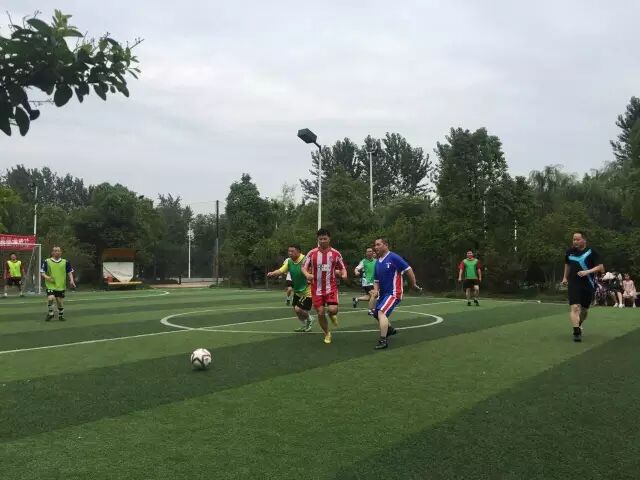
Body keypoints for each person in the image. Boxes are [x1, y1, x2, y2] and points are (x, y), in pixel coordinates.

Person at [371, 237, 421, 350]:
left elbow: (408, 269)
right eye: (375, 245)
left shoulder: (393, 257)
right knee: (376, 314)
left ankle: (383, 340)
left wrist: (413, 284)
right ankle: (389, 330)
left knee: (381, 312)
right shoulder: (377, 262)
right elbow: (376, 280)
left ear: (386, 245)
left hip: (393, 293)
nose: (376, 247)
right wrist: (375, 290)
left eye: (378, 244)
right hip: (383, 294)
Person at [302, 228, 347, 345]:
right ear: (317, 239)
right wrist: (307, 274)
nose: (322, 241)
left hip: (330, 287)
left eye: (325, 238)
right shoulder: (311, 253)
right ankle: (327, 333)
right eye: (320, 239)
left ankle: (332, 315)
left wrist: (344, 274)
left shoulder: (335, 253)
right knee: (320, 313)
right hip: (316, 288)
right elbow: (303, 267)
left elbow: (342, 267)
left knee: (333, 310)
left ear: (329, 239)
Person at [562, 232, 604, 342]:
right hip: (574, 282)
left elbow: (600, 267)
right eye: (574, 239)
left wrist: (587, 272)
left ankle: (579, 323)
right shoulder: (569, 252)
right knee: (575, 307)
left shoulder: (591, 252)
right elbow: (567, 264)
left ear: (584, 240)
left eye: (578, 239)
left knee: (584, 310)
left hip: (588, 283)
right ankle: (576, 332)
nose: (575, 242)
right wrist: (565, 277)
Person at [266, 245, 314, 332]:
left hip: (308, 291)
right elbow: (280, 270)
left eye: (292, 251)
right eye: (289, 251)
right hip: (297, 290)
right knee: (296, 310)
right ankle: (304, 325)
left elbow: (314, 271)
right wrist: (272, 273)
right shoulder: (289, 261)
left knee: (298, 309)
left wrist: (311, 277)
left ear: (298, 252)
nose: (290, 253)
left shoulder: (306, 260)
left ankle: (310, 319)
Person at [41, 246, 76, 321]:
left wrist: (72, 280)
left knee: (59, 302)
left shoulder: (65, 262)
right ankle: (51, 313)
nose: (57, 252)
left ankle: (61, 315)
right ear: (52, 252)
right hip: (50, 285)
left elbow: (69, 272)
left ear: (61, 252)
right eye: (55, 251)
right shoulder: (47, 261)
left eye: (58, 251)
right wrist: (47, 277)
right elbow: (42, 272)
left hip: (61, 285)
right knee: (51, 298)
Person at [352, 247, 377, 315]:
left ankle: (357, 299)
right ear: (366, 253)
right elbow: (357, 268)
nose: (369, 252)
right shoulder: (363, 261)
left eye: (370, 251)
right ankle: (370, 310)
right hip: (367, 281)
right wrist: (356, 271)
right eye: (368, 251)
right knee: (374, 295)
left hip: (374, 282)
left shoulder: (376, 261)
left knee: (369, 297)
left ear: (373, 253)